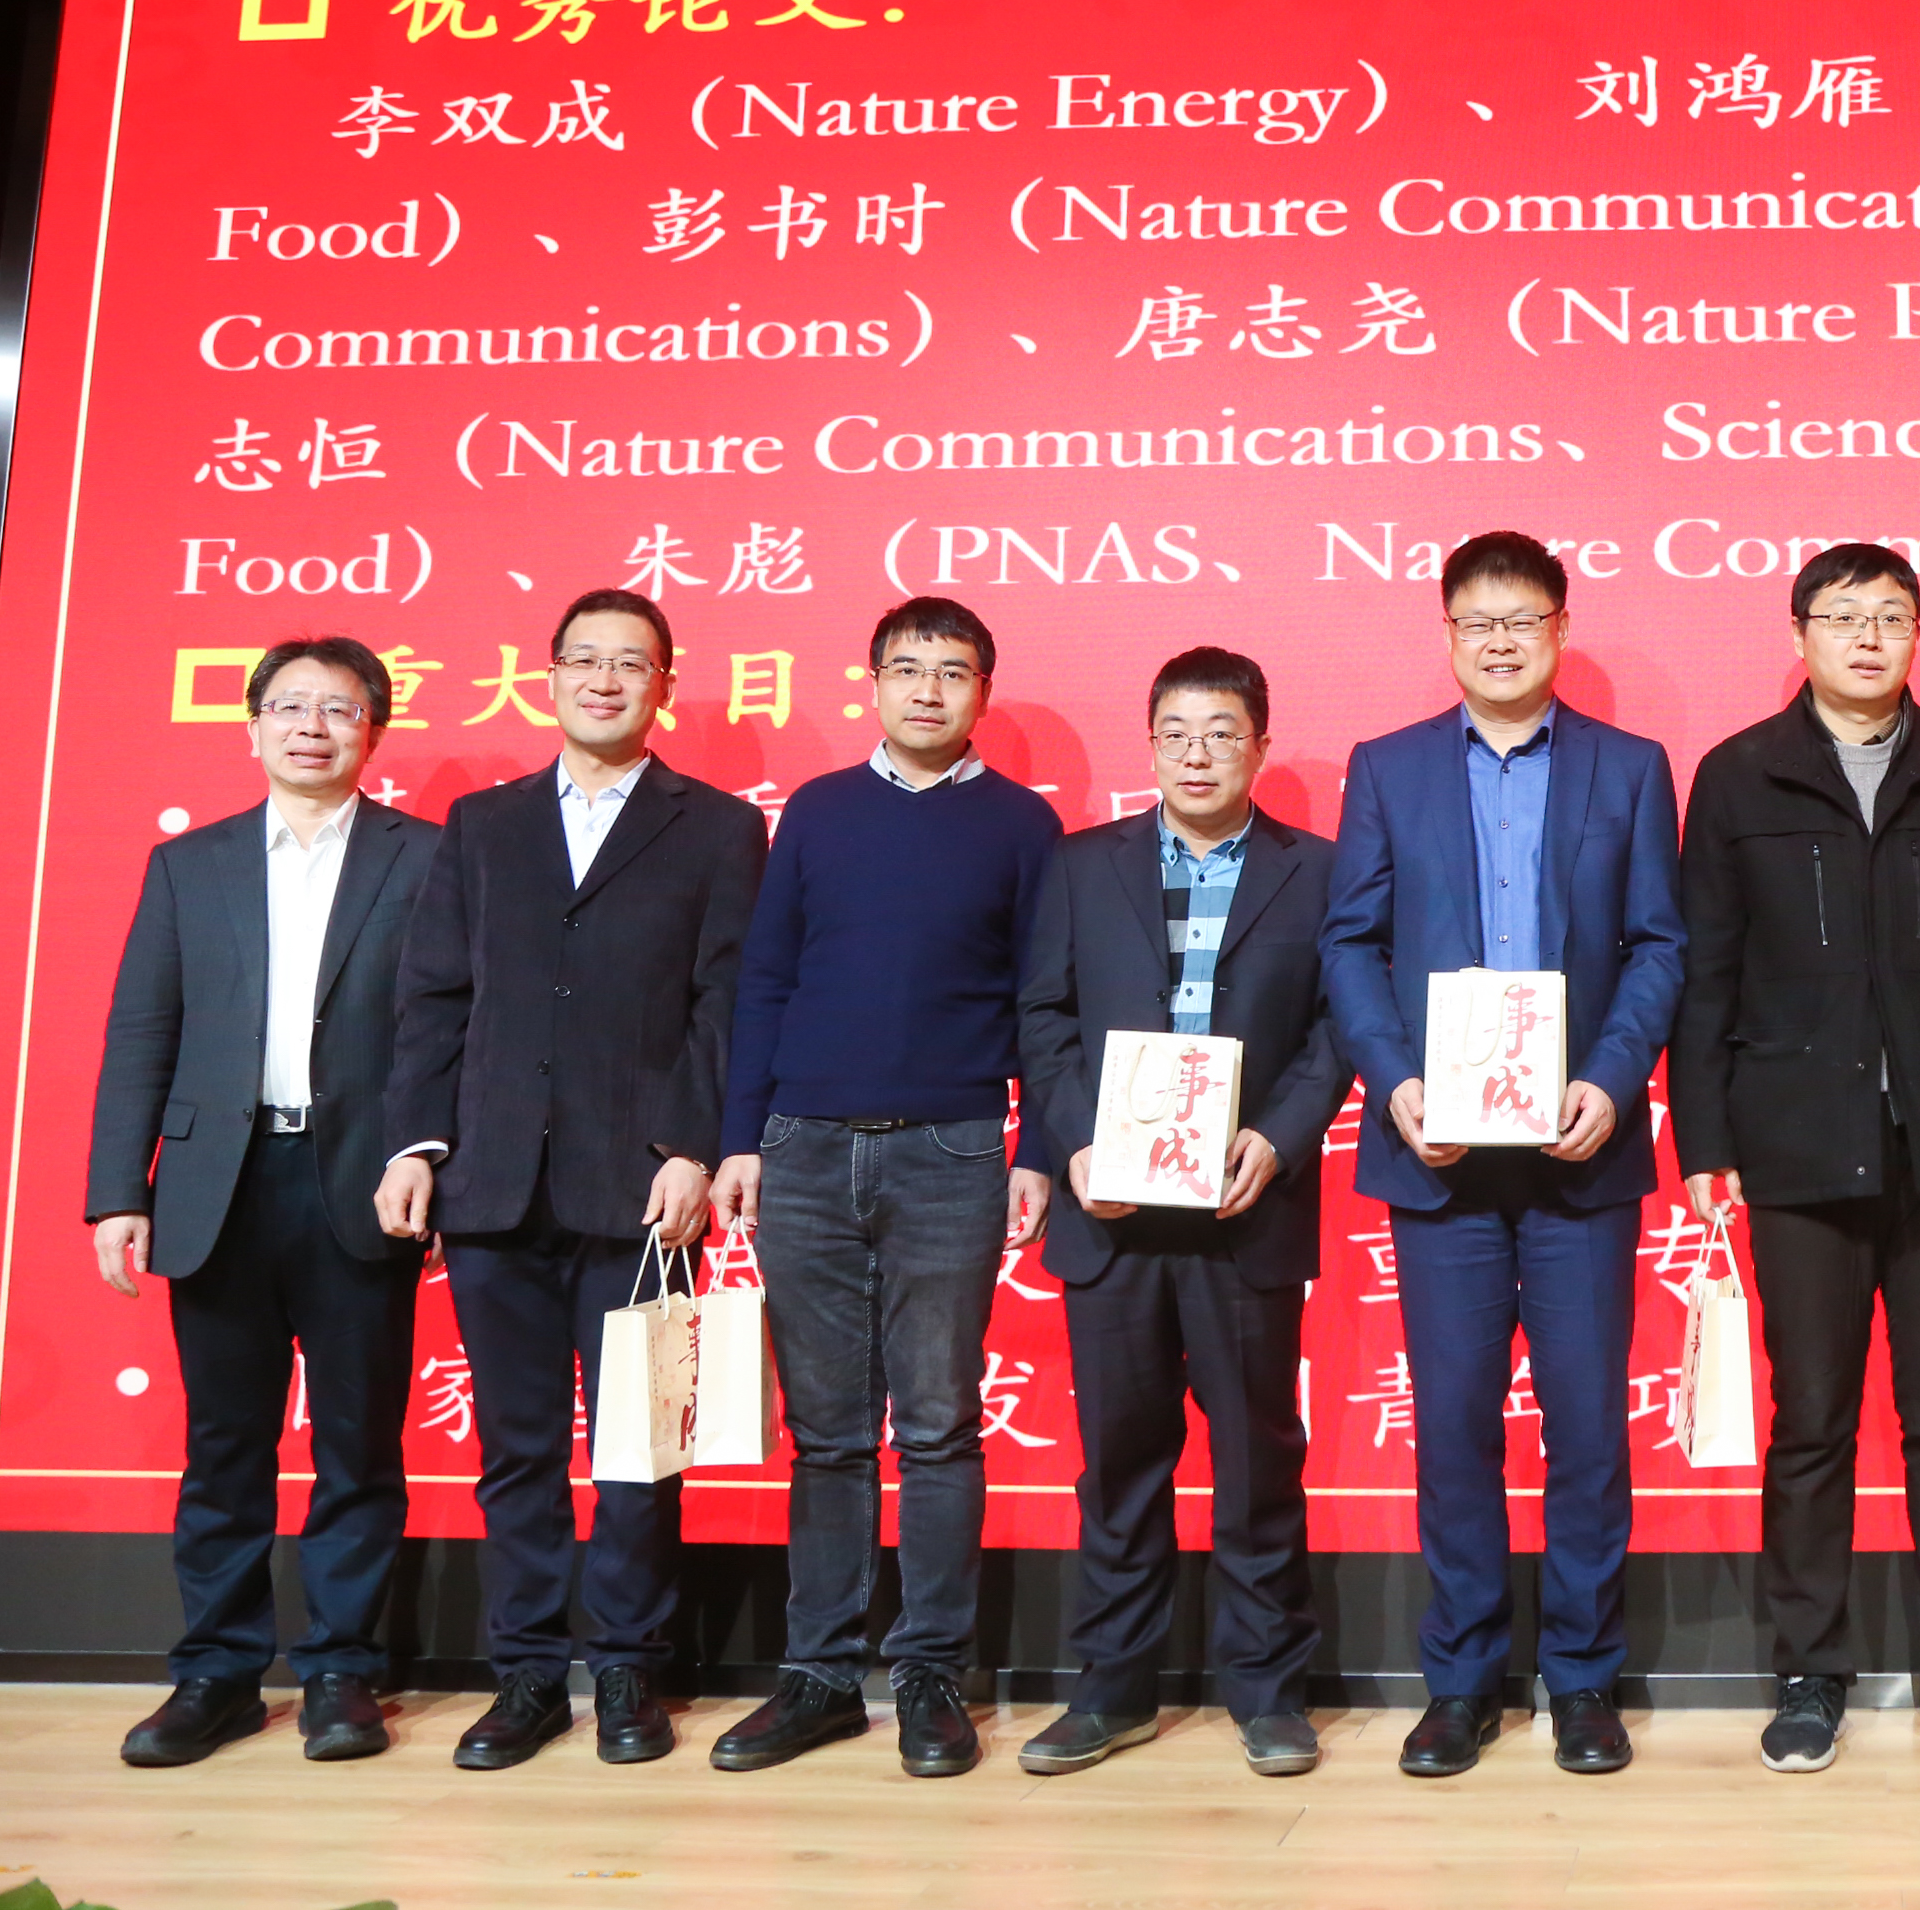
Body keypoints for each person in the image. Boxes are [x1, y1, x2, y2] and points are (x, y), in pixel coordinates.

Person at [1671, 544, 1920, 1776]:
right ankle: (1808, 1675)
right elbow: (1706, 966)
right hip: (1795, 1136)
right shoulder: (1738, 773)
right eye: (1842, 617)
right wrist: (1703, 1137)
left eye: (1890, 617)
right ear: (1797, 634)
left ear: (1914, 633)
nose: (1866, 637)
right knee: (1811, 1422)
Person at [379, 589, 766, 1770]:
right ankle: (529, 1675)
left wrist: (692, 1145)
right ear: (547, 675)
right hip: (492, 1182)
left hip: (644, 1190)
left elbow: (726, 1003)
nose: (605, 680)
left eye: (630, 663)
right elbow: (434, 997)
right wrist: (415, 1143)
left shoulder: (716, 827)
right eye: (584, 660)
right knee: (517, 1448)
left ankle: (629, 1670)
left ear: (664, 686)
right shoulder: (482, 824)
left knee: (641, 1447)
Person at [1321, 532, 1685, 1779]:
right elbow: (1350, 943)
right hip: (1440, 1155)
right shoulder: (1389, 766)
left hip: (1582, 1150)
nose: (1499, 640)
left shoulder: (1630, 768)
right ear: (1447, 633)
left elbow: (1659, 943)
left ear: (1560, 628)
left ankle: (1581, 1679)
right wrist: (1396, 1083)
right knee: (1454, 1429)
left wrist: (1611, 1080)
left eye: (1521, 618)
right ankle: (1462, 1681)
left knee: (1587, 1427)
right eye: (1476, 621)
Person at [705, 597, 1064, 1777]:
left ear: (981, 692)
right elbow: (765, 977)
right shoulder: (816, 809)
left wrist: (1035, 1146)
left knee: (940, 1423)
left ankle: (929, 1674)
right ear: (872, 681)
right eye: (907, 668)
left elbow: (1042, 1001)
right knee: (826, 1433)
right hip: (803, 1147)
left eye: (952, 671)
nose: (927, 689)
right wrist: (742, 1137)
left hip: (951, 1150)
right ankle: (817, 1675)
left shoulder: (1022, 824)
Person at [87, 640, 437, 1768]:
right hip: (218, 1185)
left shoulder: (428, 858)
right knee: (225, 1443)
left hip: (360, 1181)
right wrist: (118, 1190)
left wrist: (429, 1154)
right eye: (289, 706)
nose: (311, 727)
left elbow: (449, 1028)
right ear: (252, 728)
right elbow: (143, 1028)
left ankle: (341, 1670)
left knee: (357, 1442)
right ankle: (218, 1674)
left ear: (373, 730)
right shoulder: (188, 864)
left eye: (338, 708)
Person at [1013, 647, 1350, 1779]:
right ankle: (1110, 1691)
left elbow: (1336, 1027)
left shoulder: (1319, 871)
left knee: (1257, 1462)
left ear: (1260, 744)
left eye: (1220, 733)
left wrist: (1280, 1136)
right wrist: (1077, 1143)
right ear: (1149, 744)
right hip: (1111, 1213)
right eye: (1175, 734)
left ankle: (1268, 1692)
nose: (1196, 754)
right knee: (1120, 1463)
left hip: (1246, 1208)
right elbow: (1044, 1019)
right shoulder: (1080, 864)